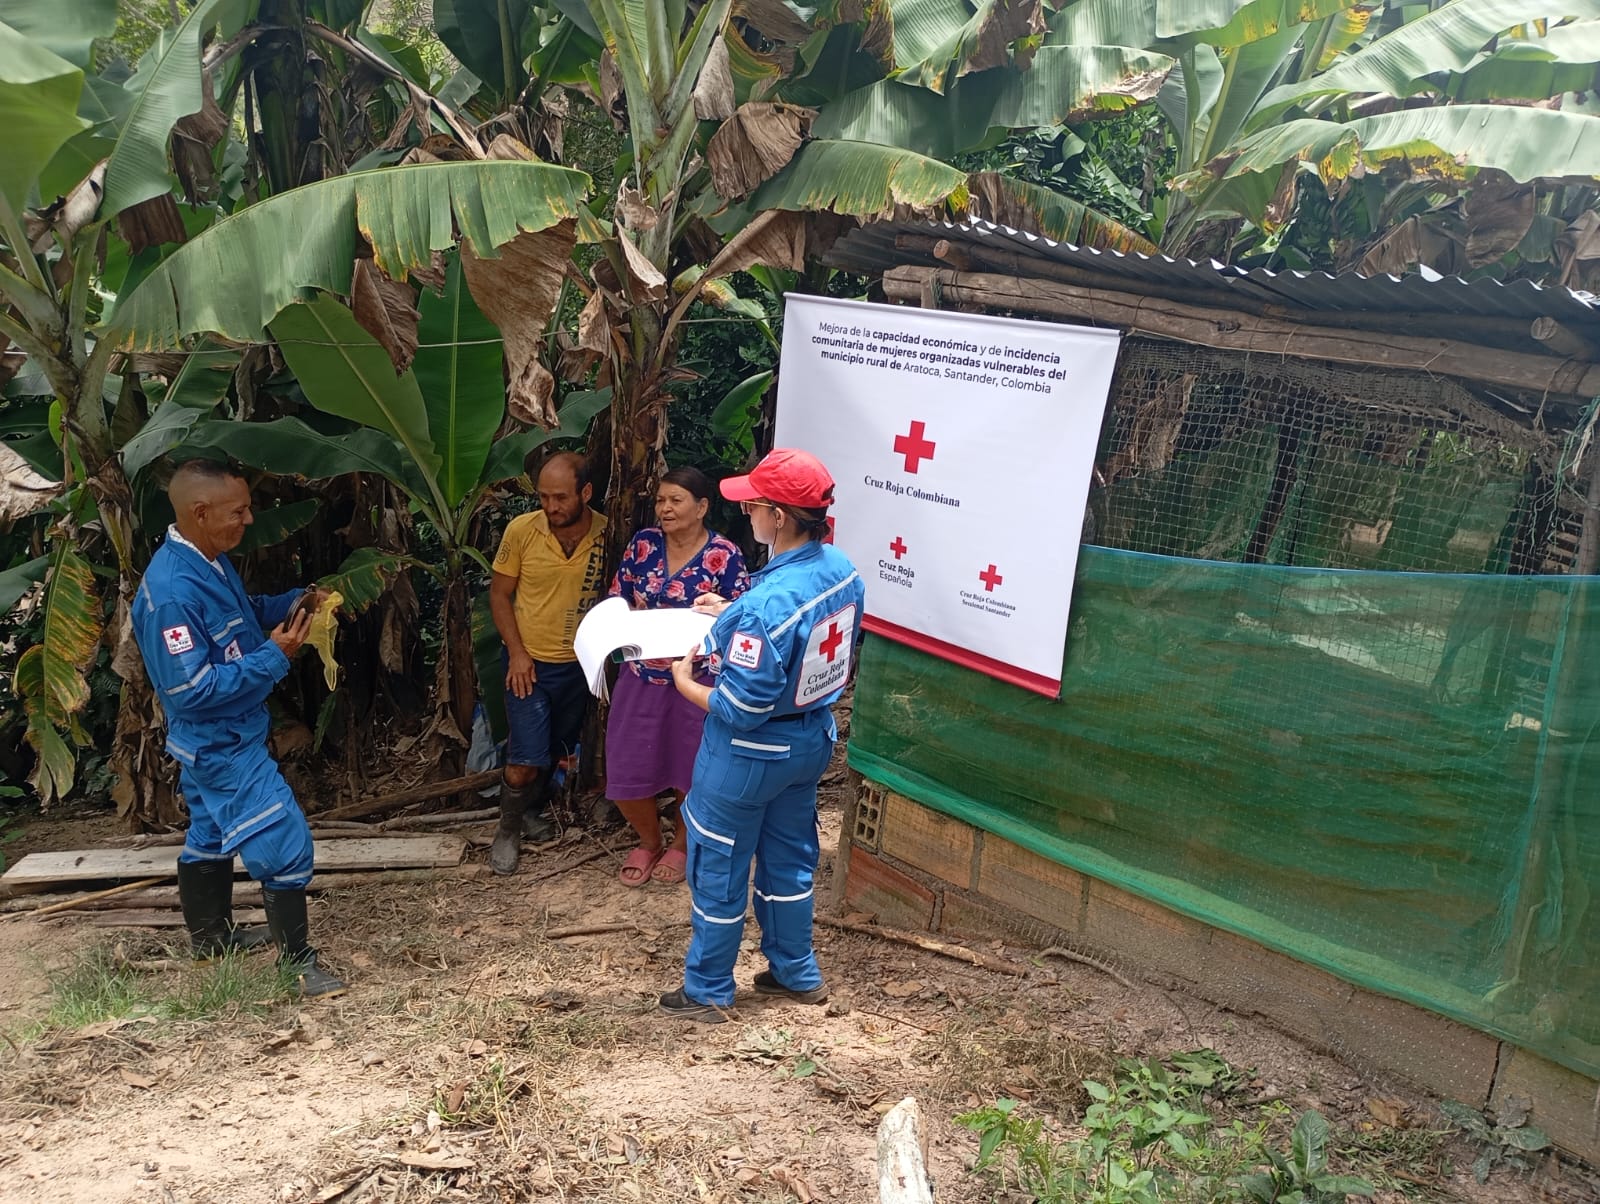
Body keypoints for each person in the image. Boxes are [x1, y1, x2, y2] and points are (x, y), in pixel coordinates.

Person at [658, 449, 865, 1022]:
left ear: (777, 516)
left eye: (752, 504)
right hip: (809, 743)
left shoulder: (766, 604)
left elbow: (739, 707)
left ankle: (706, 990)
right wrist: (732, 612)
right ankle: (796, 974)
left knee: (718, 864)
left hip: (749, 753)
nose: (745, 511)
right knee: (789, 858)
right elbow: (799, 637)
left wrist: (683, 681)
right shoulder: (841, 569)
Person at [131, 459, 344, 998]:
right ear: (200, 513)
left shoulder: (209, 561)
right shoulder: (172, 593)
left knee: (209, 835)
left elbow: (243, 615)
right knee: (285, 842)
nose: (249, 520)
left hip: (224, 737)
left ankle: (210, 940)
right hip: (219, 742)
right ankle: (297, 968)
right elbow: (193, 690)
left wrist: (294, 602)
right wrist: (277, 656)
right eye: (239, 511)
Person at [606, 467, 750, 888]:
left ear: (702, 507)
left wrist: (718, 608)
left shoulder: (723, 554)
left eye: (676, 500)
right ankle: (649, 840)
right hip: (641, 672)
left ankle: (683, 842)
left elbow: (740, 615)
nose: (665, 509)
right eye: (660, 501)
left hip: (699, 680)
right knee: (627, 762)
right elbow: (619, 595)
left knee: (694, 766)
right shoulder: (643, 544)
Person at [487, 451, 607, 875]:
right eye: (543, 497)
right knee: (524, 758)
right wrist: (517, 654)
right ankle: (507, 830)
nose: (551, 507)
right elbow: (500, 596)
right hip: (530, 664)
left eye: (560, 497)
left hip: (580, 666)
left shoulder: (608, 533)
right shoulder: (522, 530)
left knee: (557, 748)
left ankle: (535, 812)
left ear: (585, 492)